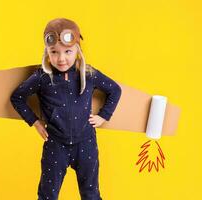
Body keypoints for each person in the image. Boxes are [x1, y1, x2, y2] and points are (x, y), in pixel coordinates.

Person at [10, 18, 122, 200]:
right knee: (47, 195)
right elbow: (17, 97)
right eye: (54, 52)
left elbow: (115, 90)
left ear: (77, 50)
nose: (61, 58)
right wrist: (35, 122)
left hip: (86, 144)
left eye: (68, 51)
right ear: (47, 52)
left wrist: (104, 116)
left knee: (91, 195)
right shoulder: (42, 77)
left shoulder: (89, 74)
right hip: (56, 145)